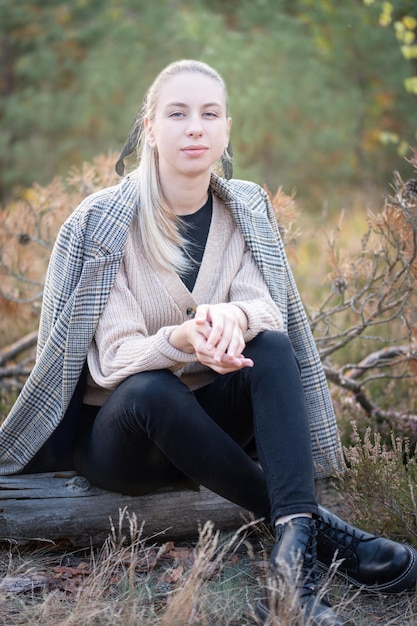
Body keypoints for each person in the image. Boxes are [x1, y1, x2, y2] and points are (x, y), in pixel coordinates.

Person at [0, 59, 416, 624]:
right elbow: (110, 362)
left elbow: (271, 309)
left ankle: (294, 566)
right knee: (151, 390)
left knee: (270, 345)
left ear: (226, 130)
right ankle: (327, 533)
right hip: (127, 443)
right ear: (150, 128)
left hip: (215, 428)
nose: (194, 127)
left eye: (209, 114)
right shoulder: (101, 223)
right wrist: (179, 337)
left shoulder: (244, 207)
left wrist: (232, 317)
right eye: (177, 113)